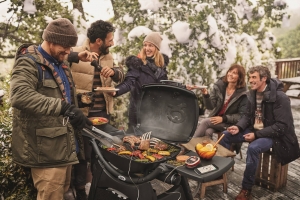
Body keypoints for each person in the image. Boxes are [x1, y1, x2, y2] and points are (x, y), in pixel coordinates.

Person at [10, 18, 96, 200]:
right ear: (50, 41)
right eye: (64, 47)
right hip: (45, 151)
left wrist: (79, 102)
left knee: (60, 193)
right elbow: (20, 96)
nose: (68, 52)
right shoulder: (28, 63)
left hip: (63, 148)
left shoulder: (62, 64)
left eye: (70, 47)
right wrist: (63, 107)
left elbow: (62, 97)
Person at [219, 65, 300, 200]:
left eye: (254, 77)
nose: (250, 80)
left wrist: (256, 135)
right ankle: (220, 173)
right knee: (225, 135)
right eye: (250, 77)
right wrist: (238, 127)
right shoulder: (253, 93)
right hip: (254, 129)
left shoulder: (280, 97)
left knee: (253, 148)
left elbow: (282, 126)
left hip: (274, 135)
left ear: (264, 79)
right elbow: (247, 116)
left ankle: (246, 189)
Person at [70, 20, 124, 199]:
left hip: (103, 115)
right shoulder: (76, 53)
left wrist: (115, 73)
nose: (112, 43)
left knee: (101, 154)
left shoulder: (108, 56)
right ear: (99, 41)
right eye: (110, 39)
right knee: (82, 155)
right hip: (83, 115)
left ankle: (98, 189)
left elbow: (121, 76)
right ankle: (80, 191)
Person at [112, 32, 168, 133]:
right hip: (138, 114)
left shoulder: (161, 68)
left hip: (155, 114)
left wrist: (183, 88)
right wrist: (116, 91)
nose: (147, 48)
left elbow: (165, 88)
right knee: (136, 143)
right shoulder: (137, 64)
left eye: (150, 45)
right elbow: (129, 83)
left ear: (157, 48)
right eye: (145, 45)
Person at [191, 64, 247, 145]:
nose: (230, 74)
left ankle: (189, 145)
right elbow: (210, 107)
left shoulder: (243, 94)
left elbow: (241, 116)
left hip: (230, 124)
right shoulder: (219, 86)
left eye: (234, 73)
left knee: (205, 122)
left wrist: (223, 118)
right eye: (230, 71)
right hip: (216, 120)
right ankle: (208, 153)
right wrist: (206, 95)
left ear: (240, 77)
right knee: (208, 132)